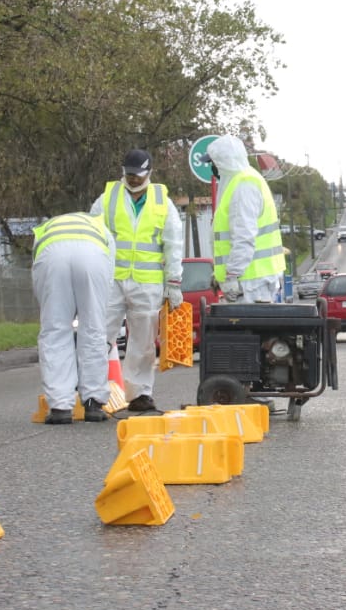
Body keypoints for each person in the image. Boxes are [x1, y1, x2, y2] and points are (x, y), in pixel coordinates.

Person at [91, 148, 184, 414]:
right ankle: (92, 395)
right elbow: (93, 233)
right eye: (129, 175)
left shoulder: (162, 202)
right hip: (111, 280)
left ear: (149, 173)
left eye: (138, 175)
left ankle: (140, 394)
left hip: (147, 283)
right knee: (99, 335)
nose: (132, 180)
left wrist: (174, 283)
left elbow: (173, 244)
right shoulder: (108, 198)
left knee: (143, 341)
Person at [31, 212, 116, 424]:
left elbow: (38, 281)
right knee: (94, 329)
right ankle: (94, 404)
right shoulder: (101, 227)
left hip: (52, 256)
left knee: (55, 331)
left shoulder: (45, 229)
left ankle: (60, 407)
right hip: (93, 256)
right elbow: (109, 278)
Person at [207, 134, 286, 303]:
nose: (213, 167)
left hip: (250, 282)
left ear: (223, 162)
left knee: (247, 328)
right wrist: (220, 274)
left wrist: (231, 275)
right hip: (250, 279)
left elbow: (244, 237)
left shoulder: (244, 186)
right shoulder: (243, 181)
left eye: (213, 162)